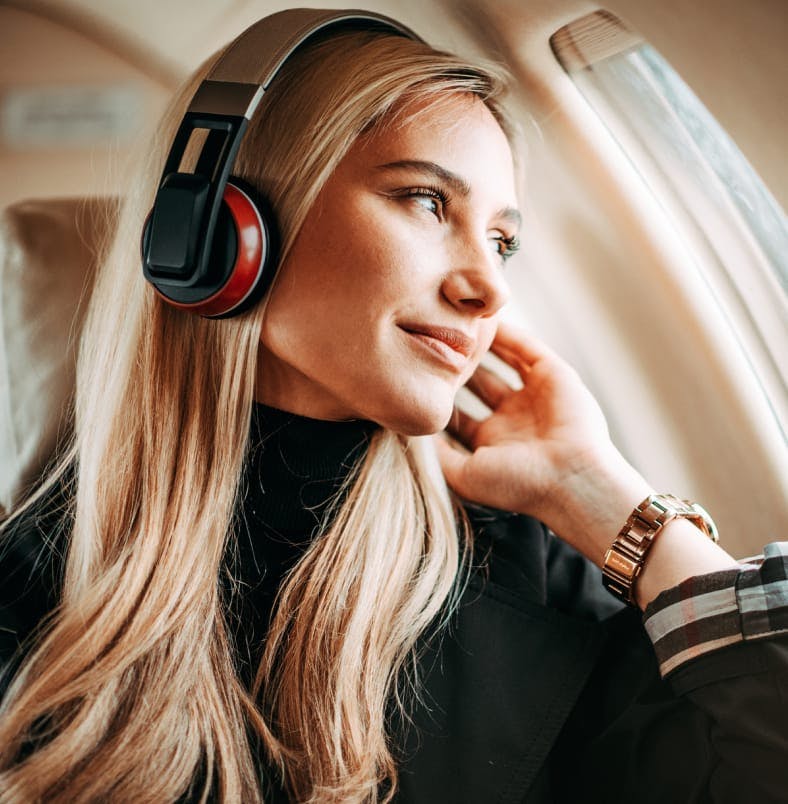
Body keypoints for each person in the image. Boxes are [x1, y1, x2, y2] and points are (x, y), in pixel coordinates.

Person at [0, 9, 785, 804]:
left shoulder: (524, 567)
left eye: (503, 241)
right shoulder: (32, 582)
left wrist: (600, 494)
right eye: (426, 201)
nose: (489, 287)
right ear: (217, 232)